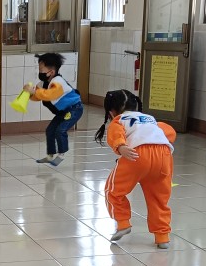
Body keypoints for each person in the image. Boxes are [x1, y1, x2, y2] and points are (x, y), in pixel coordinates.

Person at [96, 89, 176, 249]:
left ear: (111, 112)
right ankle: (162, 236)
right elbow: (169, 131)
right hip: (164, 156)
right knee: (159, 198)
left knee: (113, 191)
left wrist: (120, 146)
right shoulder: (150, 119)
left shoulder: (119, 120)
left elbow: (116, 133)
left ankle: (123, 223)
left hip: (136, 155)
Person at [24, 52, 84, 167]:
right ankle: (50, 155)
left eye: (41, 70)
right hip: (63, 111)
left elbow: (49, 95)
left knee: (60, 130)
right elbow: (38, 96)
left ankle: (61, 154)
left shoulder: (58, 82)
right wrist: (29, 93)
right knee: (50, 130)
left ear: (51, 72)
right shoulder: (43, 83)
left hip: (74, 109)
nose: (39, 72)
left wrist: (34, 91)